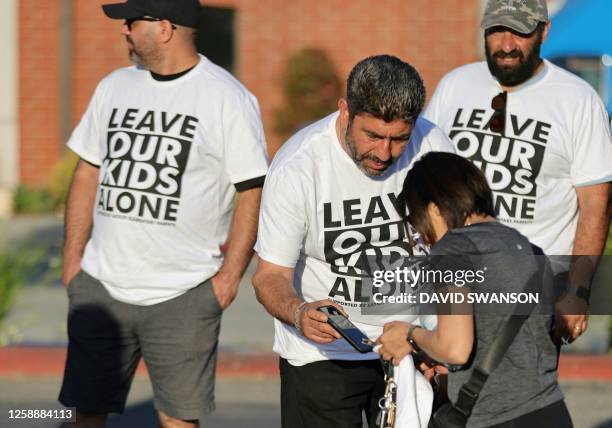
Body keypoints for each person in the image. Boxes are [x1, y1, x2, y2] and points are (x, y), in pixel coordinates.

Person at [58, 0, 268, 426]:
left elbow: (252, 190)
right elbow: (87, 171)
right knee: (84, 415)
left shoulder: (227, 98)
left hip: (184, 296)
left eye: (131, 22)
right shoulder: (115, 86)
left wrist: (228, 280)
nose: (124, 31)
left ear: (165, 28)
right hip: (101, 286)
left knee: (177, 421)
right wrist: (72, 262)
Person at [252, 54, 454, 428]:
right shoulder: (299, 167)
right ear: (345, 111)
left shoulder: (433, 147)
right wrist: (299, 312)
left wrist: (439, 340)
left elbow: (452, 254)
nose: (384, 153)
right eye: (373, 135)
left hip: (407, 347)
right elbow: (269, 277)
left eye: (399, 139)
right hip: (321, 356)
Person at [424, 0, 612, 344]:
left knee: (515, 393)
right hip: (457, 274)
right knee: (445, 386)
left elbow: (595, 204)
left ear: (544, 30)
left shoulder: (578, 100)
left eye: (520, 32)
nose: (507, 45)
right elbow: (426, 180)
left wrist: (577, 291)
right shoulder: (454, 86)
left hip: (533, 281)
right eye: (497, 31)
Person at [377, 151, 572, 427]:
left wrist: (409, 336)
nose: (419, 234)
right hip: (552, 411)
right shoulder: (531, 251)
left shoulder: (453, 250)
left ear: (433, 208)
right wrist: (431, 351)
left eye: (415, 221)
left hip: (496, 419)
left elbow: (455, 348)